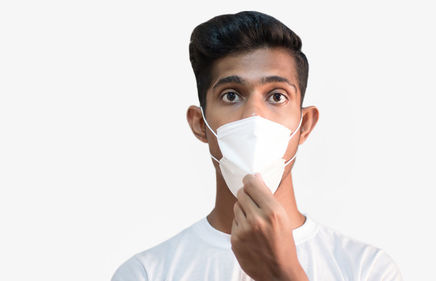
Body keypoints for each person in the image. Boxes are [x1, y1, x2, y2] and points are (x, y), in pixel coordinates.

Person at [111, 11, 404, 281]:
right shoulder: (147, 273)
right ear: (200, 124)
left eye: (276, 96)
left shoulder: (367, 269)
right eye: (231, 96)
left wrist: (285, 273)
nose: (254, 117)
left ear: (304, 125)